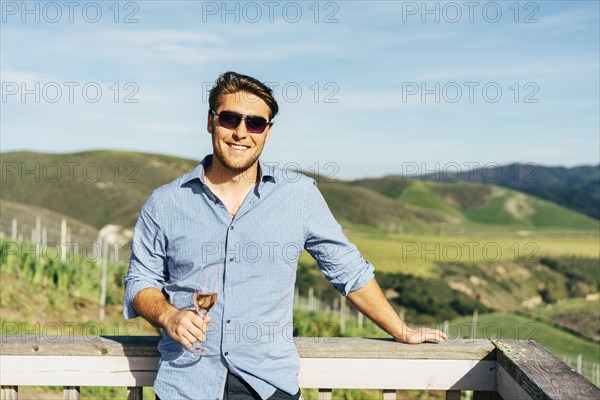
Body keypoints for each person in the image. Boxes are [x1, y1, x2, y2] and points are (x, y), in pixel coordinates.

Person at [123, 71, 448, 400]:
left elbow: (348, 269)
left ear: (267, 133)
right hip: (187, 386)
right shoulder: (165, 202)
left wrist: (400, 330)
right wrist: (168, 315)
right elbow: (140, 279)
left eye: (255, 123)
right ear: (211, 122)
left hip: (269, 385)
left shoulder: (299, 195)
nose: (241, 132)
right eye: (230, 119)